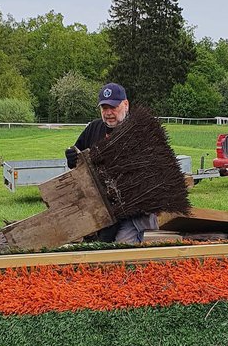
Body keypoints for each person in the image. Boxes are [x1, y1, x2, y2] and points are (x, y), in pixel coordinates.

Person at [64, 82, 158, 243]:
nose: (108, 113)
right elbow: (78, 162)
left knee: (121, 251)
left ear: (126, 104)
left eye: (113, 108)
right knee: (94, 249)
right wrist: (72, 158)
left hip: (131, 213)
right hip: (98, 208)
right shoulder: (94, 128)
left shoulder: (141, 132)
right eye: (104, 108)